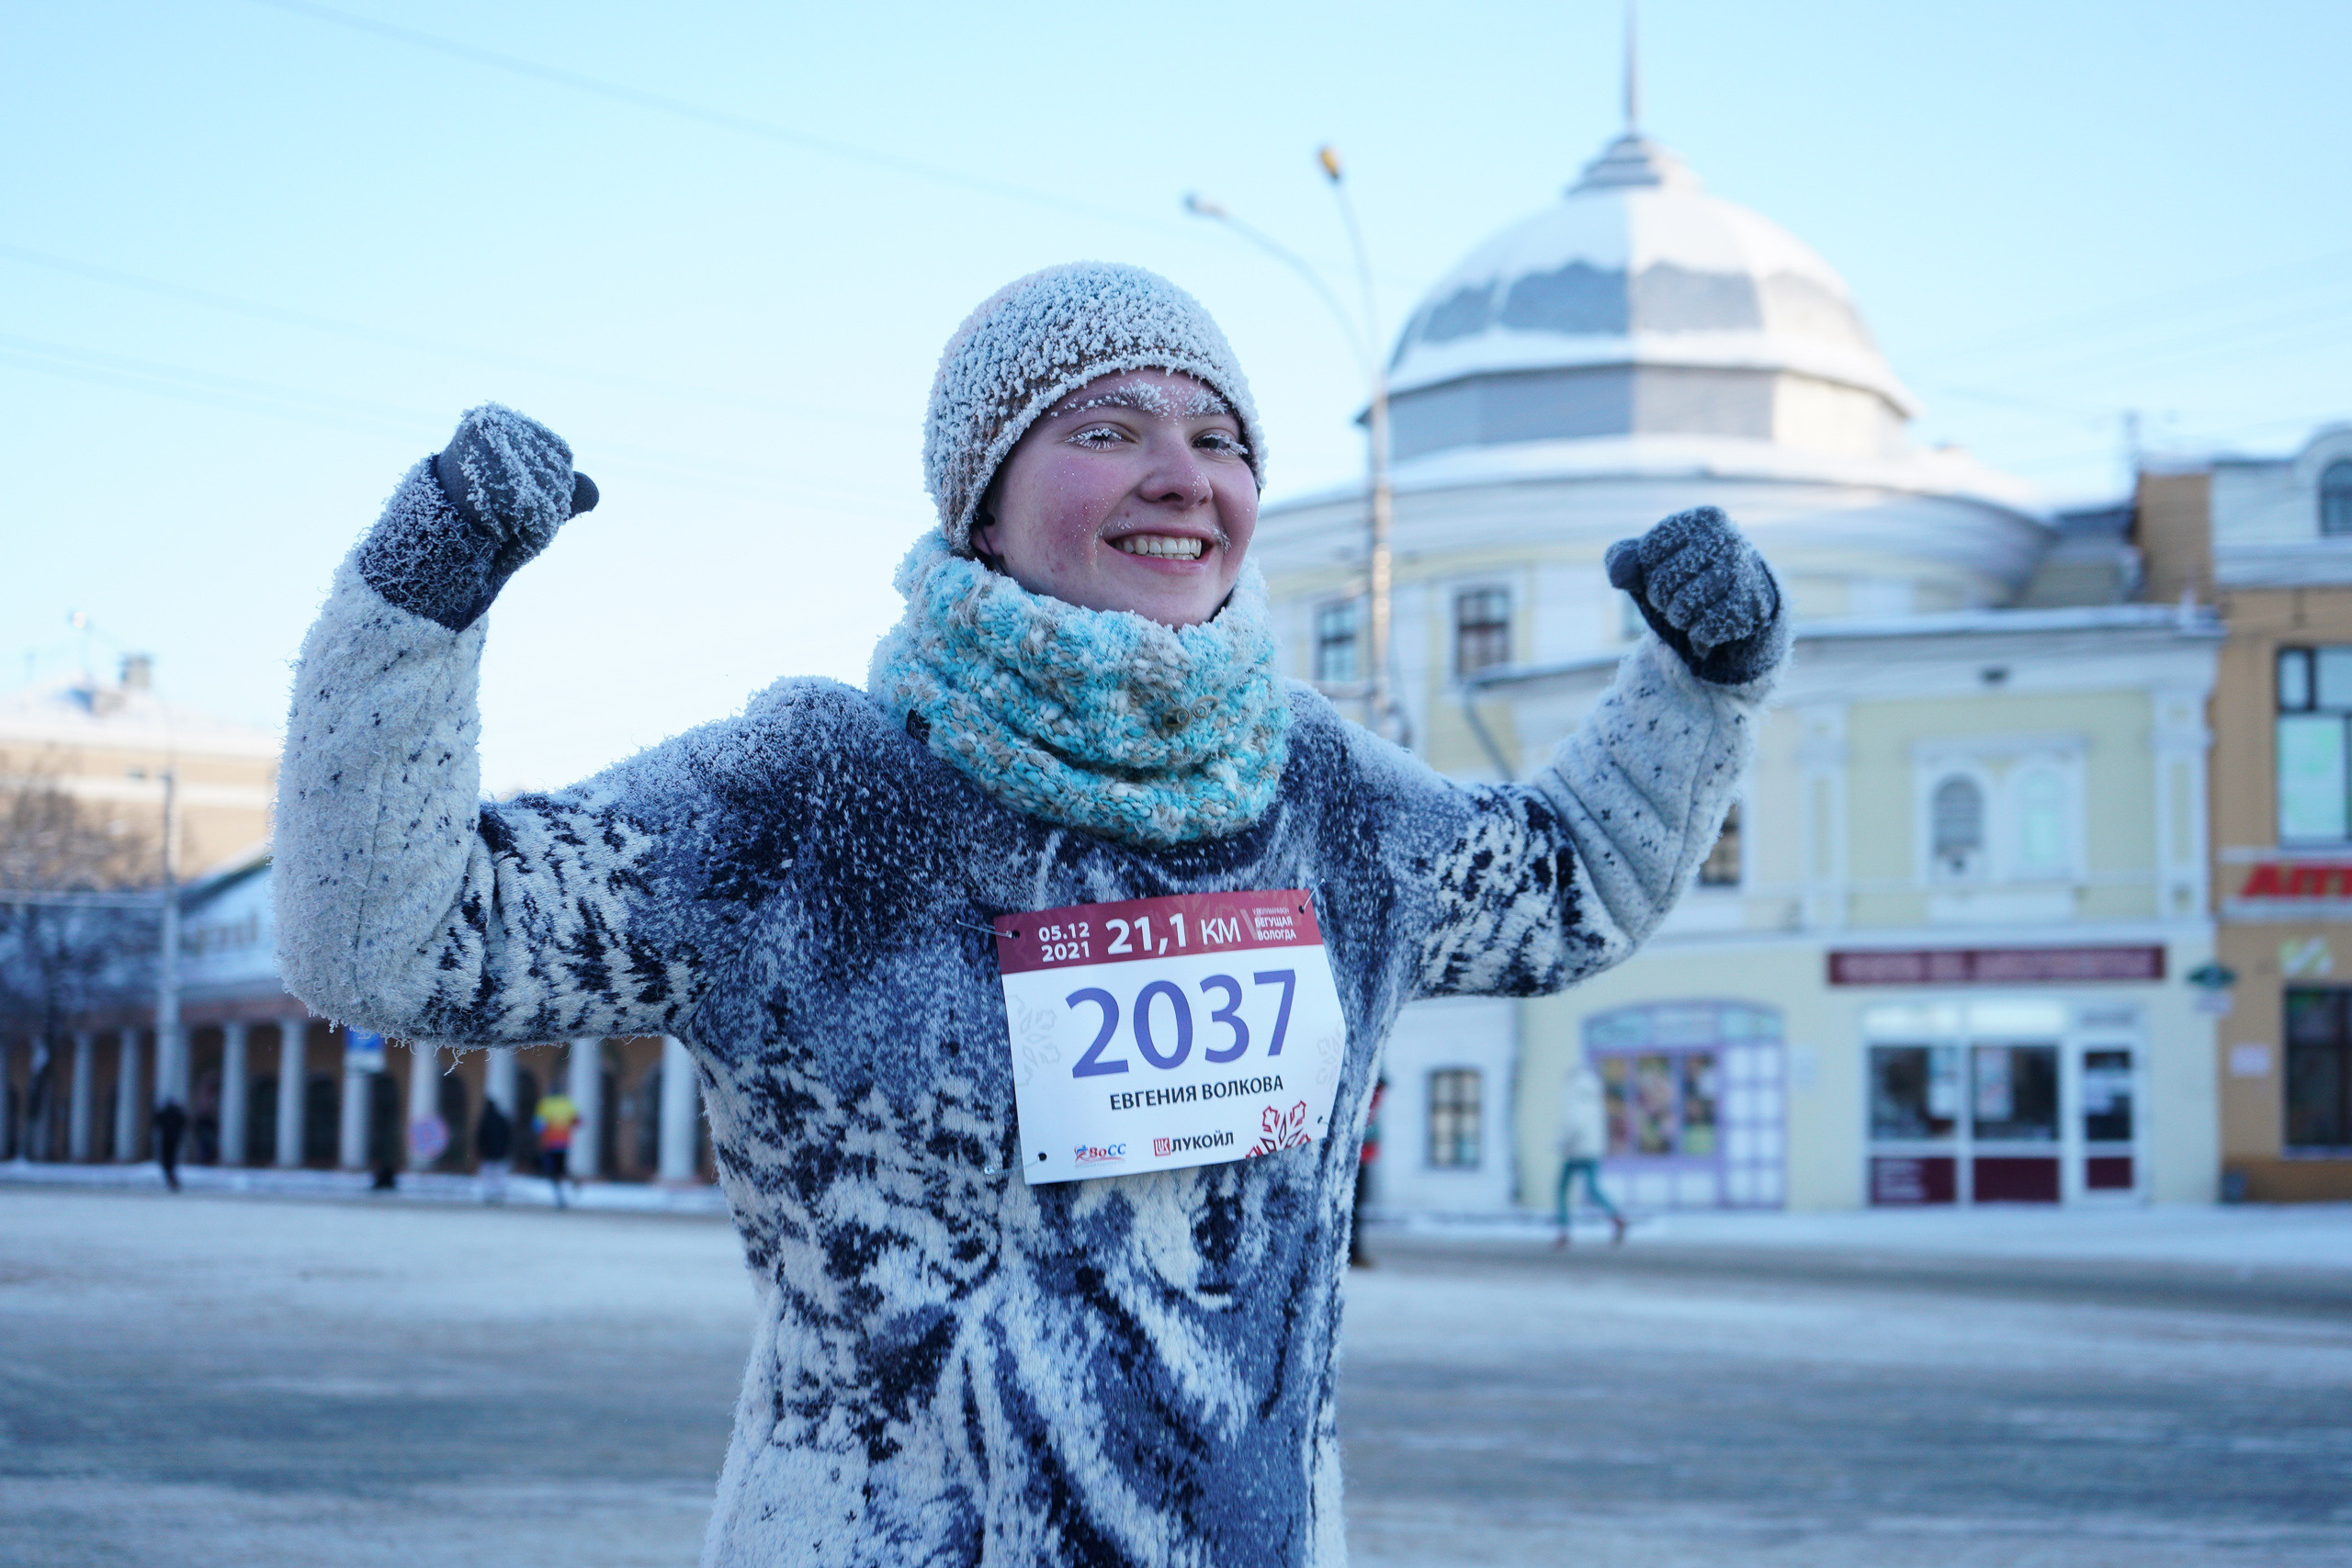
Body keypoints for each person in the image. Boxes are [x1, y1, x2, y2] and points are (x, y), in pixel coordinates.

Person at [275, 262, 1784, 1565]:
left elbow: (1568, 882)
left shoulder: (1323, 800)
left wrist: (1701, 686)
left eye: (1217, 438)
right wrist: (421, 597)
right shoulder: (813, 798)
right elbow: (405, 936)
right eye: (1107, 431)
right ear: (984, 504)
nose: (1183, 475)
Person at [1555, 1064, 1626, 1247]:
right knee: (1593, 1189)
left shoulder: (1574, 1094)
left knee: (1562, 1189)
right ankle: (1615, 1215)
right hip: (1593, 1151)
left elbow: (1574, 1125)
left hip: (1575, 1151)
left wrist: (1560, 1142)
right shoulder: (1594, 1095)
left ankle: (1563, 1230)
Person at [1351, 1077, 1386, 1269]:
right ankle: (1353, 1251)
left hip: (1364, 1155)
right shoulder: (1367, 1099)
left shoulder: (1370, 1099)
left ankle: (1354, 1250)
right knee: (1355, 1208)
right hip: (1359, 1156)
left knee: (1357, 1208)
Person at [531, 1087, 577, 1208]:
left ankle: (559, 1194)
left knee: (552, 1170)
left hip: (550, 1143)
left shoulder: (546, 1105)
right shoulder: (567, 1104)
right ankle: (571, 1182)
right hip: (564, 1143)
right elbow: (577, 1121)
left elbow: (537, 1125)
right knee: (562, 1168)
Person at [474, 1096, 514, 1204]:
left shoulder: (484, 1120)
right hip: (501, 1153)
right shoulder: (503, 1120)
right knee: (500, 1176)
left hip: (487, 1153)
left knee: (487, 1176)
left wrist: (479, 1151)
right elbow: (509, 1136)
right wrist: (507, 1150)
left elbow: (480, 1137)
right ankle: (499, 1195)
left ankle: (489, 1196)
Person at [152, 1100, 187, 1192]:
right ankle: (172, 1177)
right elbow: (184, 1123)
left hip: (166, 1139)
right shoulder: (178, 1113)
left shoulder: (164, 1113)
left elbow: (156, 1122)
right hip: (175, 1139)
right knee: (171, 1158)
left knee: (166, 1159)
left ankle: (170, 1177)